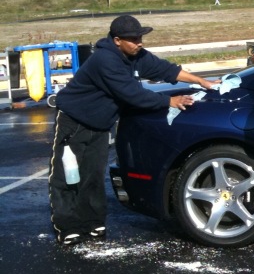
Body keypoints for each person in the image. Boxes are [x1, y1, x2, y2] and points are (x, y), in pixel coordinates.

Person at [49, 15, 217, 246]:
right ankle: (68, 226)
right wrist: (170, 101)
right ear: (117, 40)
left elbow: (165, 70)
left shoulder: (135, 55)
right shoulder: (105, 60)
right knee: (67, 176)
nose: (140, 43)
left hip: (99, 124)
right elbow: (131, 94)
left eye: (140, 37)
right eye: (134, 39)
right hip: (74, 122)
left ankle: (93, 222)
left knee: (93, 176)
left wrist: (202, 81)